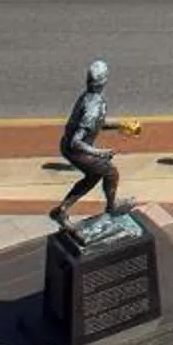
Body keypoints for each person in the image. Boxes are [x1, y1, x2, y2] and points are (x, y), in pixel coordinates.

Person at [51, 59, 133, 228]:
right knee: (110, 172)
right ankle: (112, 207)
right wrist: (99, 153)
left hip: (70, 146)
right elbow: (77, 141)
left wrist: (120, 125)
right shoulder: (93, 106)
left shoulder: (89, 97)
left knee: (94, 175)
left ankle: (62, 210)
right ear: (104, 80)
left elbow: (96, 124)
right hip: (76, 150)